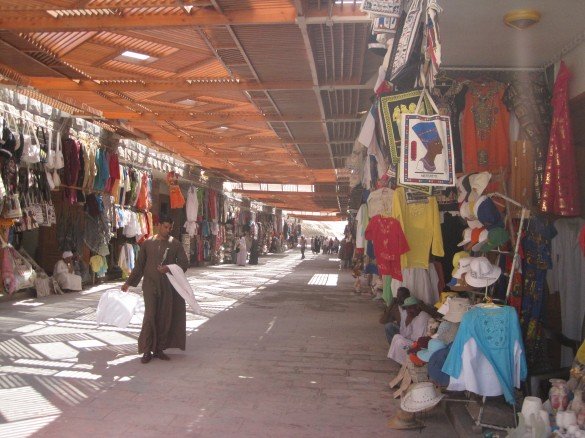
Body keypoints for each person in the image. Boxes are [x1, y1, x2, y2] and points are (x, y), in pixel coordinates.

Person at [121, 216, 189, 364]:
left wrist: (169, 268)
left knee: (164, 317)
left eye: (170, 228)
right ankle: (147, 350)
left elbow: (184, 264)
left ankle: (159, 349)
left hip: (167, 286)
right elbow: (139, 266)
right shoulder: (147, 244)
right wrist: (128, 283)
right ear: (158, 225)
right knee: (150, 315)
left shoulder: (175, 244)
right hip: (150, 285)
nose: (168, 230)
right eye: (165, 227)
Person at [387, 297, 431, 364]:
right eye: (407, 308)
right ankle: (396, 359)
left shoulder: (423, 317)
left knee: (400, 342)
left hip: (418, 345)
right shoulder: (413, 316)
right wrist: (408, 323)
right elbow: (404, 334)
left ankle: (404, 363)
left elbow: (418, 338)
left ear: (417, 307)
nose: (408, 311)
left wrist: (407, 339)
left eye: (411, 308)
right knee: (396, 336)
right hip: (412, 341)